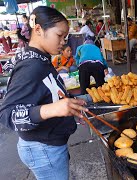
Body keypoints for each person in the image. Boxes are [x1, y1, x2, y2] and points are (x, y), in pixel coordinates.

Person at [0, 6, 88, 179]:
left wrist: (70, 105)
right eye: (59, 35)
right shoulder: (31, 66)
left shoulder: (42, 59)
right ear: (39, 29)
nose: (64, 41)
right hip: (42, 149)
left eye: (66, 37)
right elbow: (7, 114)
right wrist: (54, 109)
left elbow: (47, 94)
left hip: (47, 146)